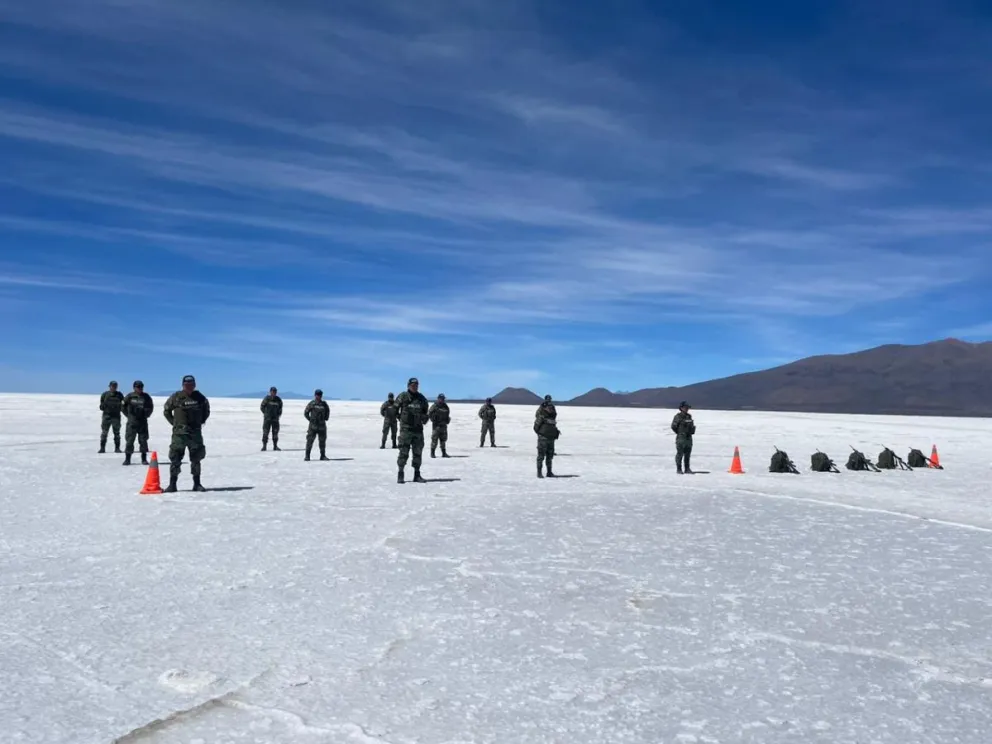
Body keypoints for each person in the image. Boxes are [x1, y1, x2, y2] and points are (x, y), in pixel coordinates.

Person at [163, 374, 210, 492]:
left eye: (191, 385)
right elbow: (167, 411)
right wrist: (174, 424)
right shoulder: (176, 397)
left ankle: (197, 484)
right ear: (183, 385)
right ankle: (172, 484)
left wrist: (200, 422)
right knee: (175, 458)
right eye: (187, 385)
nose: (189, 387)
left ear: (194, 385)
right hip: (179, 434)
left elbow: (206, 411)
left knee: (196, 458)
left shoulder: (200, 398)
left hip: (195, 434)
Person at [394, 377, 429, 483]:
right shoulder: (403, 396)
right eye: (413, 385)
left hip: (418, 430)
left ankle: (417, 475)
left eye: (416, 385)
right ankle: (400, 474)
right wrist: (400, 417)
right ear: (408, 386)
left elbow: (425, 411)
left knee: (417, 453)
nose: (415, 387)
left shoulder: (421, 398)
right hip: (406, 430)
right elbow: (394, 409)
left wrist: (424, 417)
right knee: (403, 452)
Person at [121, 380, 154, 466]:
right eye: (138, 387)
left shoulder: (146, 397)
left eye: (141, 387)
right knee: (129, 441)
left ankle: (144, 459)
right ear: (134, 388)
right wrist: (128, 415)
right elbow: (122, 406)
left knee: (143, 441)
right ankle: (127, 459)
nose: (140, 388)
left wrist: (146, 414)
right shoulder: (130, 396)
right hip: (132, 423)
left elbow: (150, 407)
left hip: (142, 422)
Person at [534, 394, 559, 478]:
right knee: (542, 456)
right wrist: (541, 433)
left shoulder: (551, 413)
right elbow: (536, 426)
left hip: (549, 437)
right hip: (544, 437)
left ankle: (548, 472)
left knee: (549, 456)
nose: (550, 408)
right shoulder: (542, 413)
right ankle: (540, 473)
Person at [303, 389, 330, 461]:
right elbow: (306, 413)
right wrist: (310, 420)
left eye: (320, 395)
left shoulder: (324, 404)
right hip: (313, 426)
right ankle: (307, 456)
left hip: (322, 426)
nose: (319, 396)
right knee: (310, 441)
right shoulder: (312, 403)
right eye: (317, 395)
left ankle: (322, 456)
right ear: (315, 395)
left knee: (322, 442)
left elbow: (327, 412)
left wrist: (325, 418)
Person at [98, 380, 124, 453]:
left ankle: (117, 448)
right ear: (109, 386)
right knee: (104, 433)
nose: (114, 387)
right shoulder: (105, 394)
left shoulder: (119, 395)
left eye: (115, 386)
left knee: (117, 433)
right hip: (107, 416)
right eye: (112, 386)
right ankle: (102, 448)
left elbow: (123, 403)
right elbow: (101, 404)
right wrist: (103, 406)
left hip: (116, 417)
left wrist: (121, 407)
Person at [671, 401, 695, 474]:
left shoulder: (689, 416)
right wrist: (680, 433)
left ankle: (687, 468)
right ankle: (679, 469)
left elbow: (691, 426)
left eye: (687, 407)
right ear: (681, 408)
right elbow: (673, 426)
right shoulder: (678, 416)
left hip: (688, 438)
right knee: (680, 454)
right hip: (681, 438)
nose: (687, 409)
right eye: (685, 407)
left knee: (687, 454)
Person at [260, 386, 283, 451]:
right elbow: (262, 407)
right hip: (267, 419)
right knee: (265, 433)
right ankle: (264, 446)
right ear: (270, 392)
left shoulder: (278, 400)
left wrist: (278, 415)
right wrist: (266, 414)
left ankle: (275, 446)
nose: (274, 393)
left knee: (275, 433)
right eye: (272, 391)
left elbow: (280, 409)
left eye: (275, 391)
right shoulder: (267, 399)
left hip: (275, 419)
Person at [429, 393, 451, 458]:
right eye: (441, 398)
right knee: (434, 440)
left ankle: (444, 453)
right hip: (436, 426)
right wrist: (433, 419)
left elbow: (447, 414)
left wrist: (447, 420)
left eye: (443, 399)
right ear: (438, 398)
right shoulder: (435, 406)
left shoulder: (445, 406)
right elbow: (429, 413)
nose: (442, 400)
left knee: (443, 440)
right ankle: (432, 453)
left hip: (443, 426)